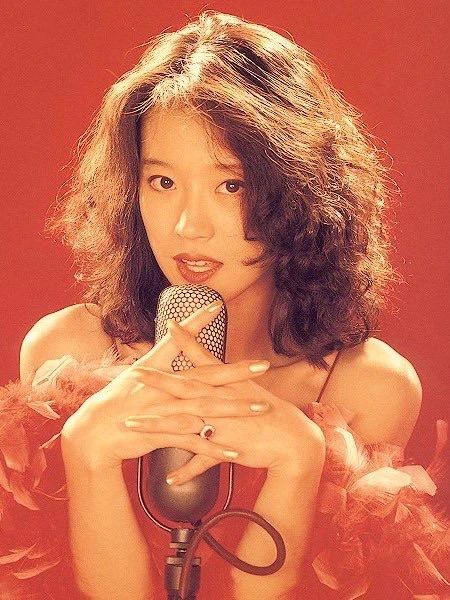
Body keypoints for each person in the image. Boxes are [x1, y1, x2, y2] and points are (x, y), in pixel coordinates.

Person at [5, 9, 447, 600]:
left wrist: (299, 466)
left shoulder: (367, 387)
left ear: (298, 192)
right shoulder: (66, 352)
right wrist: (88, 456)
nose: (188, 227)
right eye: (163, 182)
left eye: (231, 185)